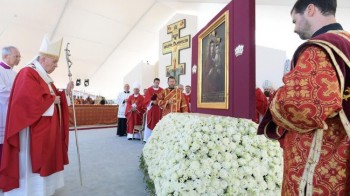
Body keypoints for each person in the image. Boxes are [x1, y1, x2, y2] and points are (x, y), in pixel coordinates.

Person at [258, 0, 350, 194]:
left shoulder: (319, 48)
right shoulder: (347, 42)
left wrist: (276, 96)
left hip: (321, 157)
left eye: (294, 21)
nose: (294, 29)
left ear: (310, 9)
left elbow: (302, 107)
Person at [0, 36, 74, 195]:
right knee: (31, 159)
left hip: (44, 126)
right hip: (30, 129)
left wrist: (65, 93)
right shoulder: (28, 72)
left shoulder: (42, 75)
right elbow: (25, 100)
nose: (56, 65)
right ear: (43, 58)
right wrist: (50, 101)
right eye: (54, 62)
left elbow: (52, 94)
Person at [0, 46, 21, 166]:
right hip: (2, 111)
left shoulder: (15, 73)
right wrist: (20, 92)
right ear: (5, 56)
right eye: (16, 56)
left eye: (19, 56)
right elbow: (2, 92)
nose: (18, 59)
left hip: (13, 112)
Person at [143, 78, 163, 142]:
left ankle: (157, 138)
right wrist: (152, 102)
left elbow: (163, 98)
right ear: (153, 82)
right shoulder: (149, 90)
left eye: (158, 83)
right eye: (156, 82)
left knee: (158, 122)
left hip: (159, 109)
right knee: (151, 121)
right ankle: (148, 138)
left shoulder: (162, 90)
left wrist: (159, 102)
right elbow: (146, 99)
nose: (157, 84)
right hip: (151, 109)